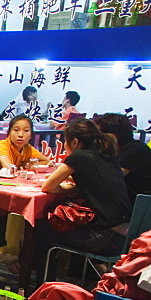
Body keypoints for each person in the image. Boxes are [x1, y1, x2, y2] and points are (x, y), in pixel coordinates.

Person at [36, 118, 132, 275]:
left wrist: (66, 189)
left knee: (44, 226)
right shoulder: (107, 156)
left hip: (103, 238)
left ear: (74, 142)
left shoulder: (79, 156)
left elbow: (48, 186)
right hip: (122, 237)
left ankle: (39, 282)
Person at [94, 112, 151, 201]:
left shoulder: (135, 149)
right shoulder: (117, 149)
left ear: (114, 135)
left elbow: (114, 177)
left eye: (101, 134)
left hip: (150, 201)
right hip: (137, 198)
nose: (98, 139)